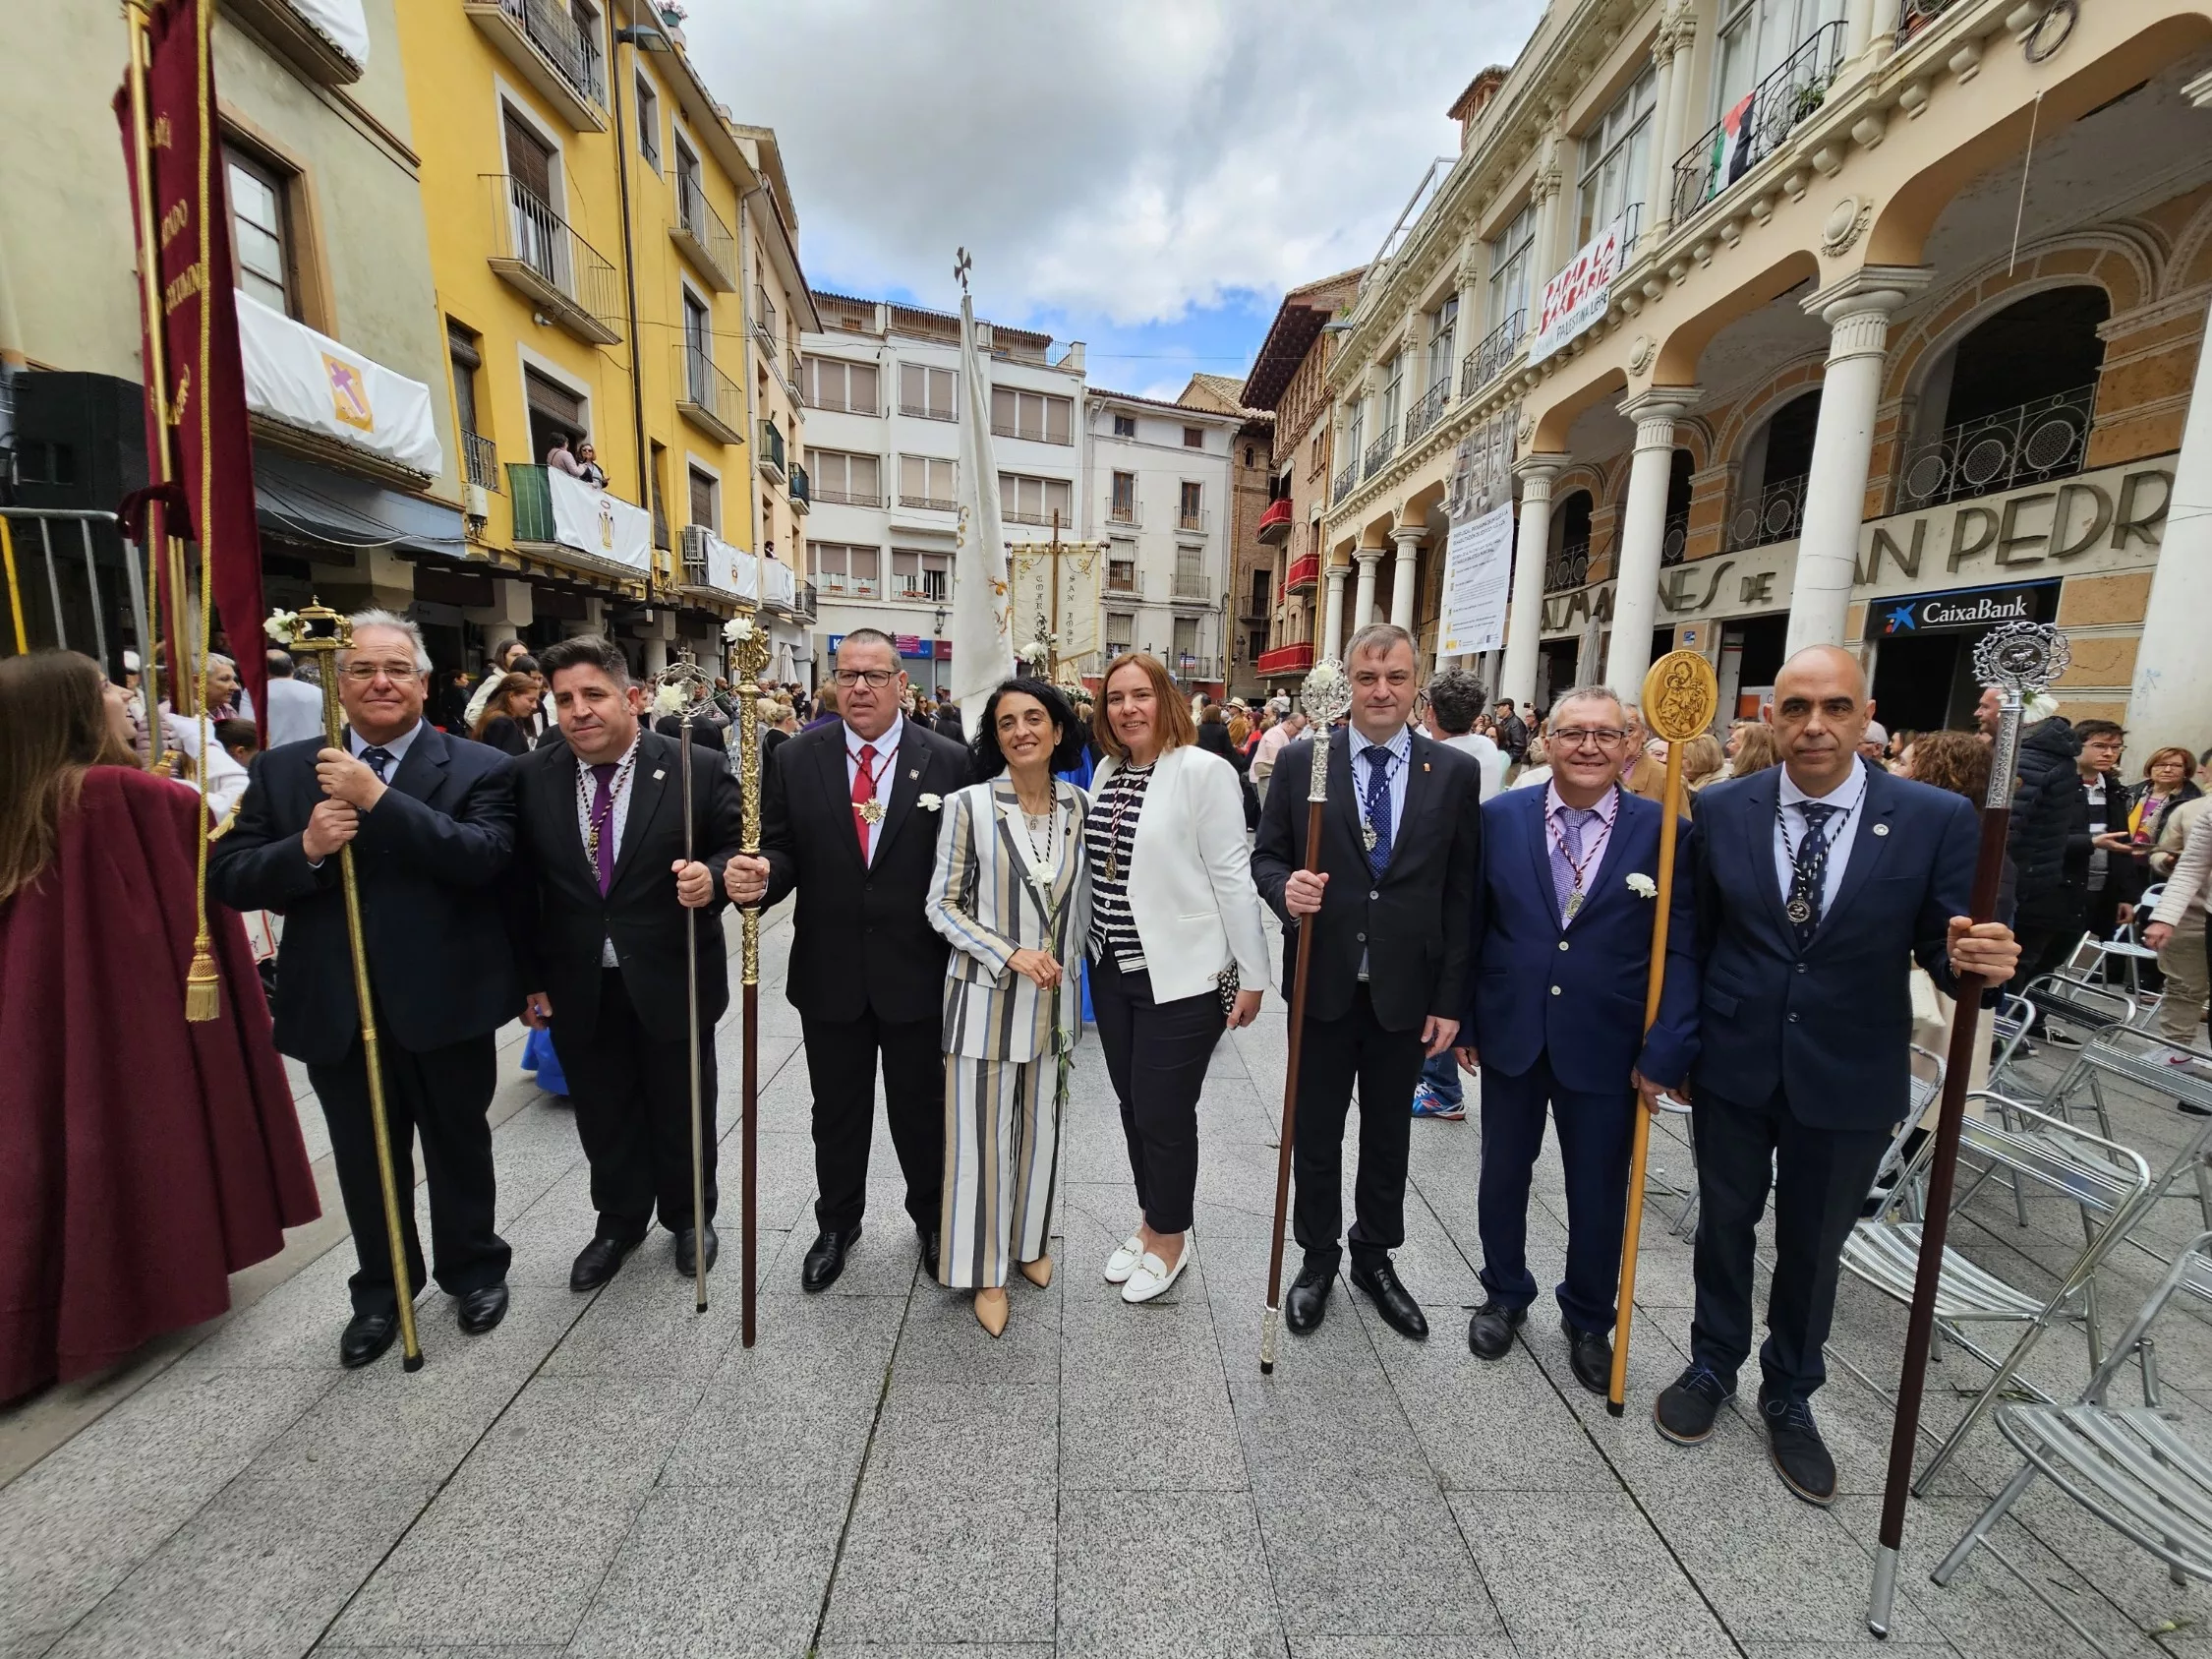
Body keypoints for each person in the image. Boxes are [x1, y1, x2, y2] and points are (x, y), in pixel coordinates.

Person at [1654, 645, 2017, 1505]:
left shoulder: (1933, 818)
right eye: (1795, 707)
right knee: (1724, 1223)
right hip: (1736, 1059)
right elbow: (1695, 939)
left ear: (1866, 715)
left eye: (1835, 707)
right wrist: (1675, 1044)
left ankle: (1791, 1391)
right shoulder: (1726, 808)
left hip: (1851, 1064)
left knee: (1816, 1245)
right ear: (1769, 718)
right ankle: (1713, 1363)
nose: (1814, 725)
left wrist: (1981, 955)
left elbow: (1949, 938)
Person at [1, 652, 317, 1401]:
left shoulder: (20, 798)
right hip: (129, 1021)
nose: (125, 698)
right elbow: (198, 839)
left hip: (30, 1021)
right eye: (108, 688)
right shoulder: (120, 796)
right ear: (74, 712)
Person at [210, 610, 520, 1366]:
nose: (380, 682)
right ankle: (382, 1288)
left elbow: (481, 857)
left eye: (396, 669)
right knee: (363, 1152)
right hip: (337, 1001)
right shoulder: (285, 771)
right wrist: (307, 846)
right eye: (361, 669)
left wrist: (376, 799)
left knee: (456, 1141)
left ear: (422, 682)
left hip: (443, 996)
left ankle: (472, 1267)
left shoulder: (478, 768)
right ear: (336, 682)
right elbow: (231, 875)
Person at [1457, 684, 1698, 1390]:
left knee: (1598, 1187)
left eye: (1605, 734)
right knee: (1503, 1172)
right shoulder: (1499, 819)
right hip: (1513, 1030)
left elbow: (1682, 947)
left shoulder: (1667, 831)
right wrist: (1466, 1018)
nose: (1588, 746)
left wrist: (1668, 1046)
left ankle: (1590, 1315)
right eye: (1572, 733)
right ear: (1546, 742)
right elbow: (1472, 925)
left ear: (1629, 746)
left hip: (1610, 1041)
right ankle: (1504, 1292)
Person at [723, 628, 973, 1290]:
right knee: (835, 1109)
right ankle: (837, 1220)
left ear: (901, 683)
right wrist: (759, 875)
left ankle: (933, 1219)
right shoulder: (797, 757)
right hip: (830, 970)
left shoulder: (948, 761)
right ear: (834, 682)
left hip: (918, 971)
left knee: (920, 1110)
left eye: (875, 675)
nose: (860, 687)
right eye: (848, 675)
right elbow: (780, 850)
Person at [1253, 623, 1483, 1341]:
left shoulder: (1451, 771)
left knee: (1389, 1135)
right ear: (1346, 683)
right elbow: (1265, 858)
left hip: (1404, 993)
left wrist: (1451, 1000)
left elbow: (1461, 891)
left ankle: (1375, 1256)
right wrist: (1284, 889)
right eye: (1366, 677)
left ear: (1417, 684)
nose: (1381, 690)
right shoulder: (1302, 762)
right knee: (1315, 1131)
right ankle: (1316, 1256)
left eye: (1396, 677)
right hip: (1322, 985)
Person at [508, 635, 745, 1288]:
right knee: (602, 1109)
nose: (578, 710)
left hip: (673, 972)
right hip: (577, 979)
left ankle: (692, 1216)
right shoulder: (533, 776)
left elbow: (735, 848)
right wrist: (529, 979)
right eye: (564, 699)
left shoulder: (695, 765)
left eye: (593, 694)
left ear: (632, 698)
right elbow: (521, 886)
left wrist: (714, 878)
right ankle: (617, 1221)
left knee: (682, 1104)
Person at [1085, 653, 1270, 1303]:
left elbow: (1231, 875)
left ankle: (1171, 1235)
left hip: (1183, 974)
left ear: (1166, 700)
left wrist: (1252, 974)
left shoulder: (1204, 772)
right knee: (1134, 1104)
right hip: (1111, 969)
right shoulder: (1109, 770)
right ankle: (1151, 1216)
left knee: (1164, 1110)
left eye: (1140, 694)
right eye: (1115, 698)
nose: (1128, 707)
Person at [924, 679, 1091, 1334]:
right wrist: (1008, 951)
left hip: (1051, 1008)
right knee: (980, 1142)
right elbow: (941, 903)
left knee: (1041, 1137)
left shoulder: (1078, 804)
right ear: (994, 738)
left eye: (1033, 718)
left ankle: (1029, 1244)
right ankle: (985, 1266)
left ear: (1056, 730)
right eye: (1005, 723)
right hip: (986, 1002)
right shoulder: (969, 805)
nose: (1021, 731)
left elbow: (1080, 906)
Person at [1412, 669, 1503, 1122]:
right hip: (1486, 877)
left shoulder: (1440, 759)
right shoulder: (1489, 751)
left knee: (1441, 986)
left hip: (1447, 881)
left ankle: (1441, 1086)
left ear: (1430, 711)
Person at [2146, 803, 2212, 1068]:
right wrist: (2165, 918)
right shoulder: (2200, 809)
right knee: (2183, 983)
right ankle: (2175, 1049)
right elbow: (2191, 866)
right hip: (2198, 912)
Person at [2068, 720, 2131, 951]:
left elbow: (2123, 845)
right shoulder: (2061, 785)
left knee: (2066, 951)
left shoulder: (2114, 790)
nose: (2109, 753)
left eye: (2116, 748)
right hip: (2062, 884)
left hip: (2100, 887)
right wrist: (2090, 842)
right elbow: (2045, 839)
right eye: (2100, 746)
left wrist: (2125, 895)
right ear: (2077, 746)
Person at [472, 669, 546, 756]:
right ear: (511, 696)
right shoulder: (503, 723)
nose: (535, 706)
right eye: (530, 700)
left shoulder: (500, 718)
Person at [263, 649, 324, 748]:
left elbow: (248, 727)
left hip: (273, 756)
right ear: (292, 666)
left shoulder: (255, 693)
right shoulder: (316, 691)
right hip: (311, 754)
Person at [464, 639, 531, 730]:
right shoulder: (496, 681)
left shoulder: (527, 680)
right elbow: (472, 715)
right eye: (515, 655)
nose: (521, 658)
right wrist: (493, 734)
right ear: (503, 657)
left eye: (524, 655)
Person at [1252, 709, 1305, 809]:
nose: (1299, 733)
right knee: (1270, 812)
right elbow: (1276, 760)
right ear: (1289, 723)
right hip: (1266, 778)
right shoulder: (1276, 734)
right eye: (1298, 728)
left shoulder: (1281, 733)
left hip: (1271, 778)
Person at [1678, 732, 1726, 800]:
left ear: (1701, 759)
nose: (1677, 761)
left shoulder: (1720, 787)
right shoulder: (1687, 779)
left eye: (1683, 757)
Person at [1494, 697, 1530, 765]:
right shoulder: (1505, 722)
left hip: (1510, 765)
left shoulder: (1515, 723)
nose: (1496, 710)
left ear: (1506, 707)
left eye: (1498, 707)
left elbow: (1519, 747)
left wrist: (1506, 761)